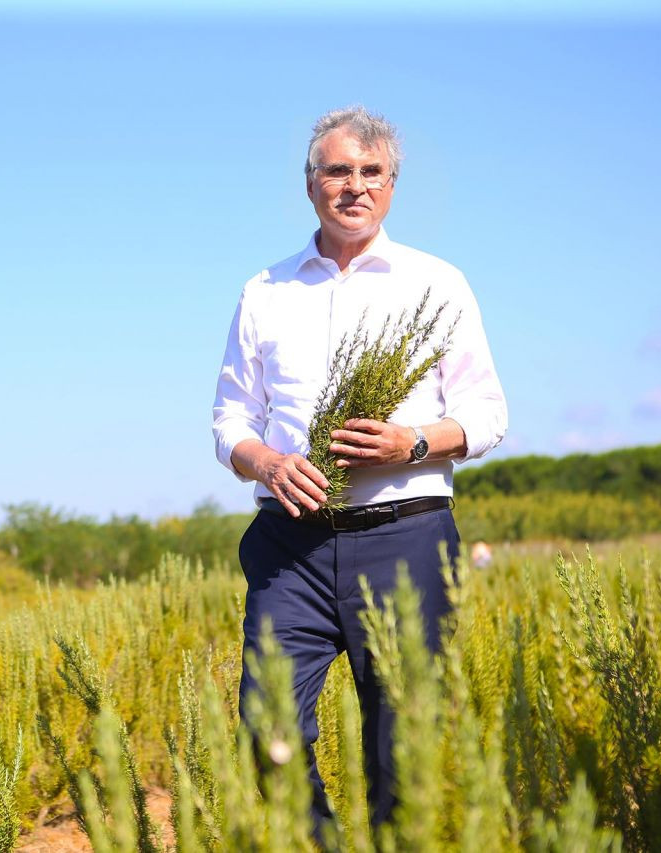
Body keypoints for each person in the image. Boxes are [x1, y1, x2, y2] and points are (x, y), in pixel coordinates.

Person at [211, 105, 508, 837]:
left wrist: (410, 441)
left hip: (405, 539)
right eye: (338, 170)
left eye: (371, 172)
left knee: (402, 750)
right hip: (292, 545)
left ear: (392, 185)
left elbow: (488, 412)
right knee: (267, 727)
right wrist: (269, 462)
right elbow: (229, 421)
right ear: (310, 184)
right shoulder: (265, 290)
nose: (355, 186)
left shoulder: (437, 281)